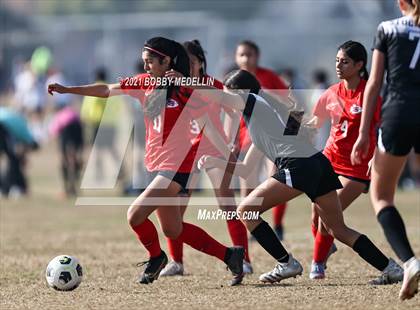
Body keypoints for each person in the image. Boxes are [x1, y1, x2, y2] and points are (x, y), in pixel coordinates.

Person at [48, 37, 244, 285]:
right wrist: (68, 90)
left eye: (150, 61)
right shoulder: (145, 83)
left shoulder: (186, 87)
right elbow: (106, 89)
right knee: (174, 230)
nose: (146, 67)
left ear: (167, 61)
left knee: (134, 215)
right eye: (144, 62)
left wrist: (186, 83)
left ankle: (156, 257)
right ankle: (230, 255)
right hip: (158, 167)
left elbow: (231, 100)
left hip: (177, 168)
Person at [199, 69, 401, 286]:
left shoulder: (252, 100)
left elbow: (219, 96)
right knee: (337, 229)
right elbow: (246, 169)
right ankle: (391, 268)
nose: (226, 104)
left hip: (298, 165)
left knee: (246, 210)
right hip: (316, 163)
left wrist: (186, 81)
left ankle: (286, 263)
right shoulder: (260, 117)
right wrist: (215, 162)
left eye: (231, 95)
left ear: (241, 93)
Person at [308, 40, 403, 283]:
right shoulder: (330, 93)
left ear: (360, 65)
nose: (339, 65)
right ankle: (324, 249)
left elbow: (385, 128)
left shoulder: (369, 95)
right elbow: (312, 125)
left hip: (356, 167)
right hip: (328, 161)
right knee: (316, 217)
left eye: (345, 61)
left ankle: (317, 264)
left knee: (329, 219)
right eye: (337, 60)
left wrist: (375, 156)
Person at [159, 40, 252, 283]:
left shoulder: (211, 85)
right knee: (175, 211)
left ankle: (244, 259)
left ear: (201, 63)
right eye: (183, 63)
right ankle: (176, 262)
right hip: (184, 152)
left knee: (227, 205)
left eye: (191, 62)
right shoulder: (175, 85)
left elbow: (234, 110)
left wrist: (233, 142)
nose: (187, 67)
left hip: (212, 149)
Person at [351, 0, 420, 300]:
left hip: (398, 114)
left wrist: (364, 133)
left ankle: (410, 262)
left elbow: (375, 83)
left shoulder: (387, 28)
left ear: (401, 2)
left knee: (380, 196)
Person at [231, 40, 289, 240]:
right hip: (247, 139)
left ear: (258, 56)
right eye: (241, 54)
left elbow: (292, 103)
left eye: (250, 54)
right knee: (247, 184)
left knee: (276, 180)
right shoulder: (233, 80)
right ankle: (253, 227)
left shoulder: (269, 77)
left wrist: (292, 133)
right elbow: (230, 114)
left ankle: (278, 224)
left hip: (271, 138)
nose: (246, 58)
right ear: (236, 58)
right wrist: (231, 139)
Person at [49, 102, 84, 197]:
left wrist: (59, 151)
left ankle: (66, 189)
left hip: (67, 131)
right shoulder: (72, 112)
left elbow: (54, 133)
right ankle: (73, 188)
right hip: (78, 129)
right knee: (73, 160)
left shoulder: (58, 116)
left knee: (64, 161)